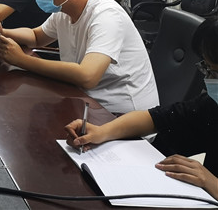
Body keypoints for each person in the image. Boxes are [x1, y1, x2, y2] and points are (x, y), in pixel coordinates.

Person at [64, 17, 218, 199]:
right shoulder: (210, 105)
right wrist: (101, 132)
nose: (209, 79)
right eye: (207, 69)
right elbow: (154, 118)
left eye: (214, 72)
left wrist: (211, 182)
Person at [0, 0, 159, 114]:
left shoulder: (107, 15)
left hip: (121, 113)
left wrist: (22, 60)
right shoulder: (64, 10)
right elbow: (36, 37)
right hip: (86, 98)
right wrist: (3, 31)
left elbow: (88, 76)